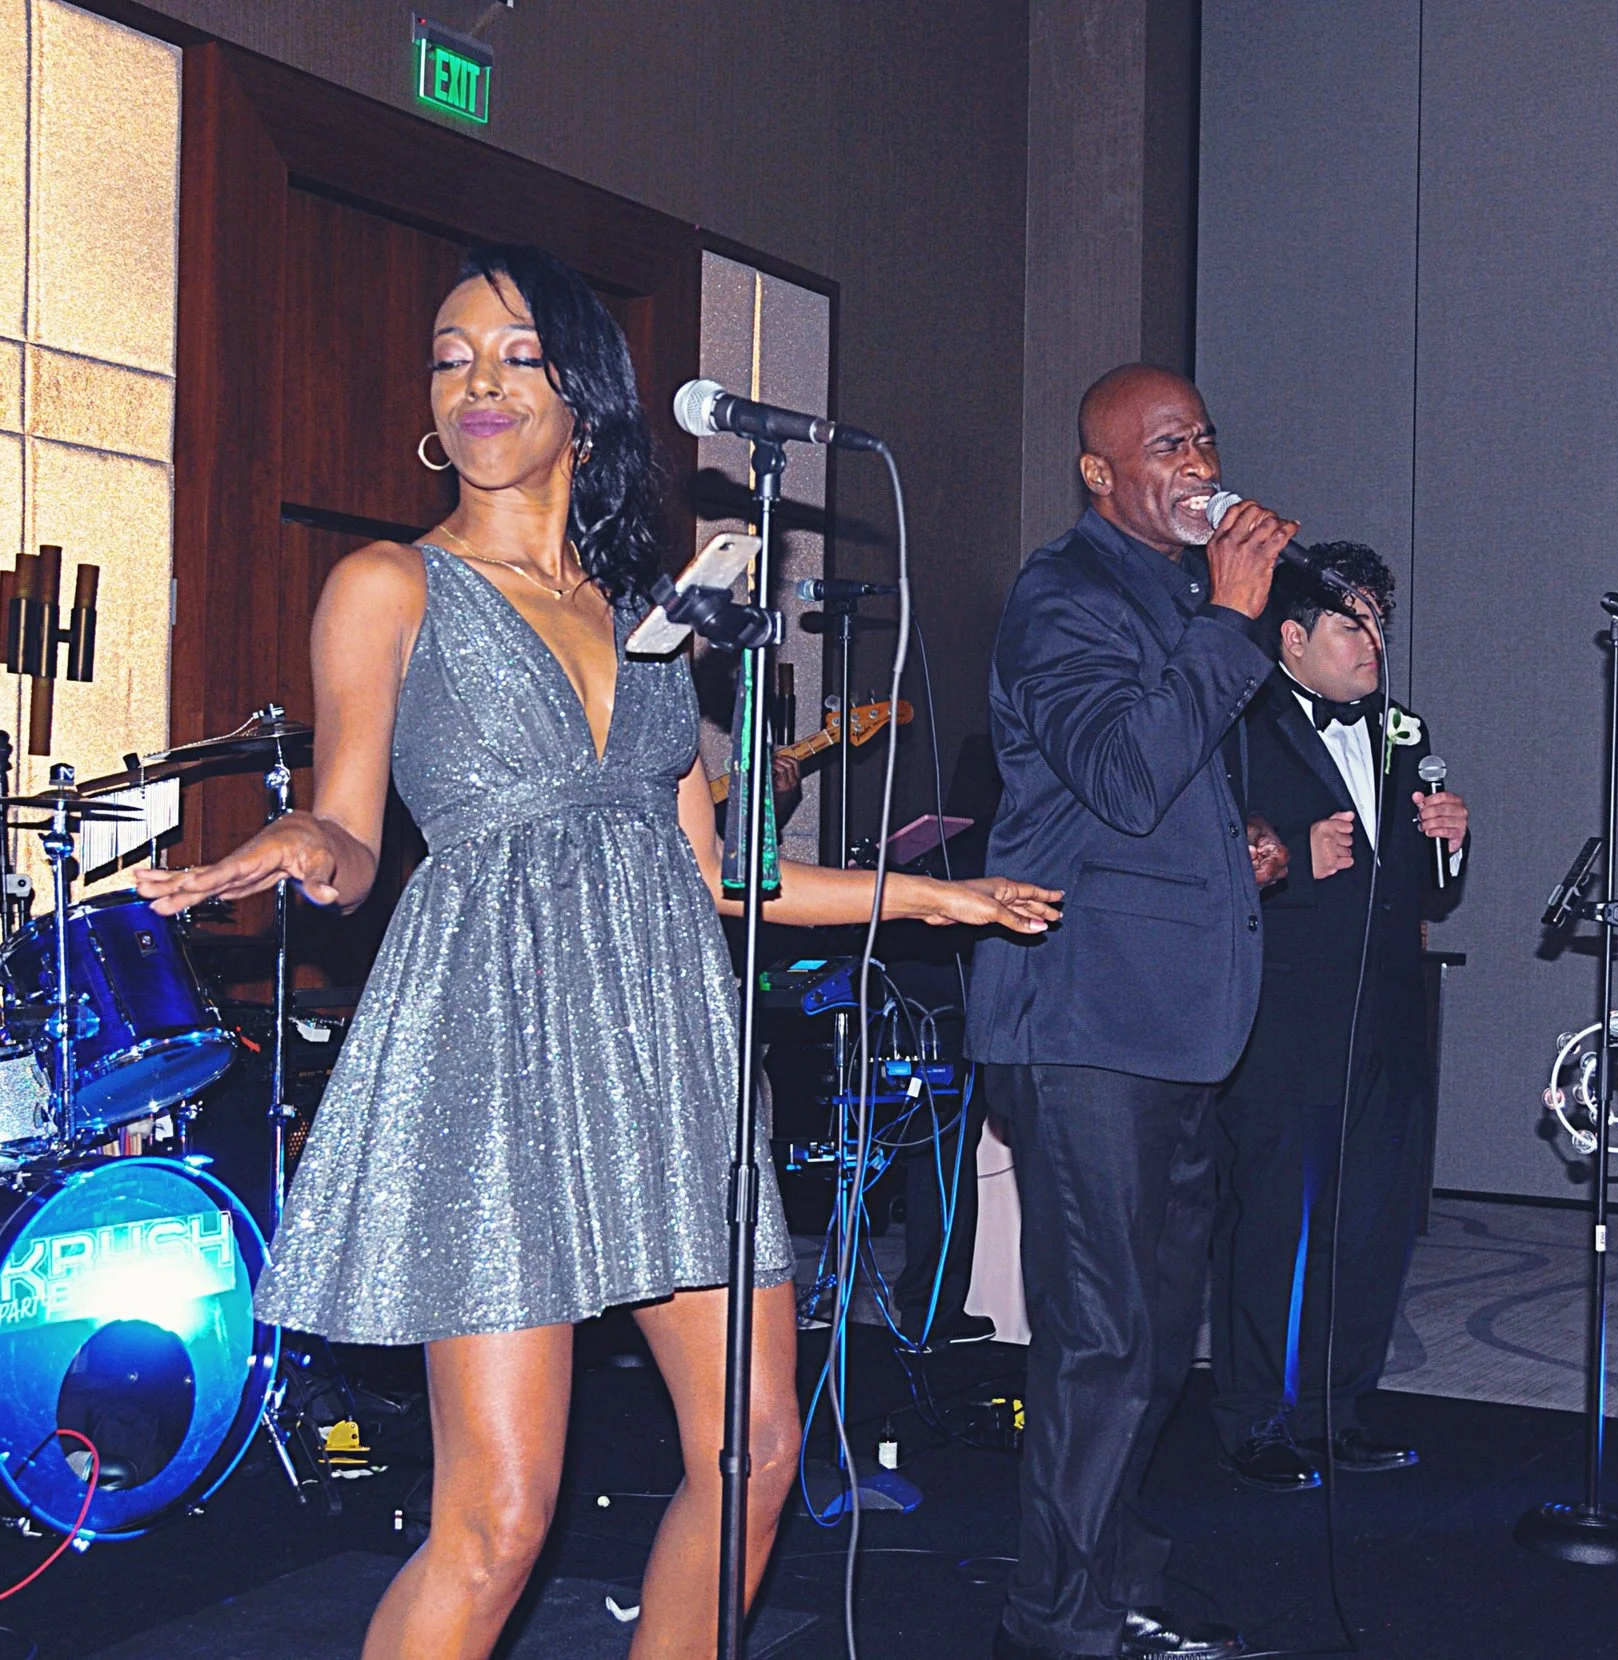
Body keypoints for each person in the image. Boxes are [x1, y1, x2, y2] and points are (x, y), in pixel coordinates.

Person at [135, 245, 1058, 1660]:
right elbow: (353, 834)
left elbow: (718, 874)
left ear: (584, 395)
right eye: (451, 358)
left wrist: (941, 901)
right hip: (493, 1050)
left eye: (516, 356)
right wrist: (296, 846)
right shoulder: (388, 585)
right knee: (501, 1518)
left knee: (755, 1454)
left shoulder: (651, 618)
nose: (479, 383)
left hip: (664, 1055)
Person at [967, 363, 1295, 1660]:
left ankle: (1114, 1577)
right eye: (1166, 446)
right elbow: (1117, 771)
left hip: (1169, 1024)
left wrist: (1239, 842)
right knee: (1100, 1341)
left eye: (1203, 436)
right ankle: (1056, 1626)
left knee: (1156, 1339)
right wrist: (1234, 619)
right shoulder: (1064, 596)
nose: (1199, 462)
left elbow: (1155, 800)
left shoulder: (1176, 593)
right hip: (1083, 1022)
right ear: (1100, 475)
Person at [1211, 542, 1467, 1494]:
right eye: (1351, 624)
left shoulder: (1405, 728)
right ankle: (1252, 1418)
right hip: (1287, 1015)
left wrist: (1449, 844)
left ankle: (1337, 1408)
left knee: (1371, 1225)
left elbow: (1425, 890)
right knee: (1272, 1222)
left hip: (1390, 1015)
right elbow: (1200, 864)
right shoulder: (1238, 723)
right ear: (1292, 638)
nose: (1373, 643)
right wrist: (1294, 863)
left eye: (1379, 624)